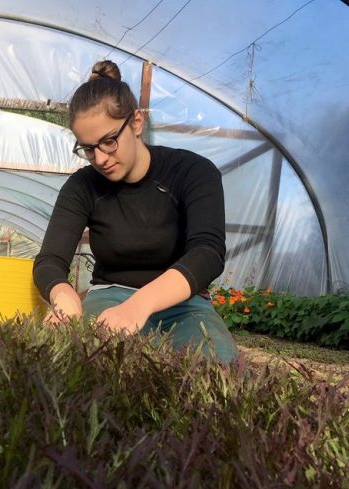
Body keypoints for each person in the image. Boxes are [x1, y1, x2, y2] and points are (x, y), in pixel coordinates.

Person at [32, 60, 238, 363]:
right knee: (88, 361)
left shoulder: (192, 171)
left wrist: (140, 305)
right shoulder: (82, 186)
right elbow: (50, 260)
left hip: (184, 303)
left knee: (216, 364)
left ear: (137, 122)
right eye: (89, 149)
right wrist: (65, 299)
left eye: (109, 141)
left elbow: (207, 252)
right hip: (109, 296)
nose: (100, 159)